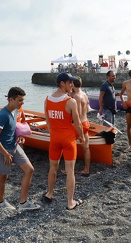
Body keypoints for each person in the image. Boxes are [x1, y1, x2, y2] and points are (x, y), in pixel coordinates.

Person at [0, 87, 41, 211]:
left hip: (14, 145)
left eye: (23, 100)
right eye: (20, 100)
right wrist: (5, 154)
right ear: (11, 99)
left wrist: (20, 136)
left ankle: (23, 203)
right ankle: (1, 202)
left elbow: (13, 128)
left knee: (29, 170)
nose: (22, 103)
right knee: (3, 177)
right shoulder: (3, 115)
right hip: (2, 150)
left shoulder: (15, 110)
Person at [43, 72, 85, 210]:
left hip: (54, 139)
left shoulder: (47, 99)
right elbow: (78, 124)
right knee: (70, 171)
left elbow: (48, 121)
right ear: (62, 83)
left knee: (53, 168)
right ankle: (70, 202)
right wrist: (82, 137)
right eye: (70, 82)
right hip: (68, 140)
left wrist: (54, 133)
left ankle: (49, 193)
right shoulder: (70, 101)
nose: (72, 85)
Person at [71, 77, 91, 176]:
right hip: (86, 121)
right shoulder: (84, 95)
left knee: (70, 146)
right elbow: (86, 110)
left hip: (78, 124)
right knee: (86, 147)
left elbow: (76, 114)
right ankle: (86, 169)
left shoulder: (76, 97)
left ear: (73, 85)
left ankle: (69, 170)